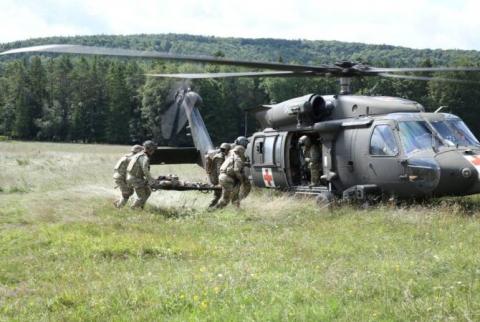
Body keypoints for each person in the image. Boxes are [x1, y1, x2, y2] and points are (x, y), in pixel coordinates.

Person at [126, 140, 157, 209]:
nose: (154, 151)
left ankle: (140, 207)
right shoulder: (144, 158)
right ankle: (132, 209)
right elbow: (145, 170)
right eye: (153, 149)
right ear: (150, 149)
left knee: (148, 192)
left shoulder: (139, 154)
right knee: (142, 197)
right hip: (135, 179)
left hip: (134, 177)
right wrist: (151, 180)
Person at [205, 142, 231, 208]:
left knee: (218, 195)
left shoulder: (218, 155)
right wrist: (220, 182)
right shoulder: (220, 158)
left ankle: (213, 207)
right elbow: (219, 171)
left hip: (214, 178)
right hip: (216, 179)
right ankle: (211, 207)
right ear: (226, 150)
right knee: (218, 195)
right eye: (228, 150)